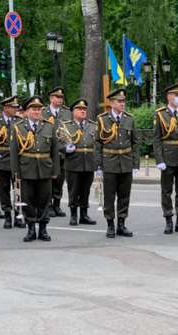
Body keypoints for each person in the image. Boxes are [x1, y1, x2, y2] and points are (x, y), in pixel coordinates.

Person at [10, 96, 60, 242]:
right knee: (28, 200)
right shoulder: (18, 127)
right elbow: (13, 152)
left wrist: (55, 170)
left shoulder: (49, 126)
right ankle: (31, 228)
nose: (37, 112)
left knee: (45, 199)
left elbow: (54, 150)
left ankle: (43, 229)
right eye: (34, 109)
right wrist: (15, 172)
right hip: (26, 169)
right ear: (27, 111)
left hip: (45, 168)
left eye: (39, 109)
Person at [94, 89, 138, 238]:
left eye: (123, 101)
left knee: (124, 196)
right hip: (109, 163)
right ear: (112, 103)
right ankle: (110, 225)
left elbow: (135, 143)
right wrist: (98, 165)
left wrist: (135, 163)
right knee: (109, 196)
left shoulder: (129, 119)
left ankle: (121, 224)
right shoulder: (102, 119)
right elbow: (98, 143)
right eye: (119, 101)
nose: (122, 103)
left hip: (125, 162)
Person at [153, 83, 178, 234]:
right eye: (176, 95)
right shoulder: (160, 114)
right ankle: (169, 220)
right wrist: (159, 160)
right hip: (168, 158)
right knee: (167, 191)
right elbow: (157, 139)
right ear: (169, 96)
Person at [0, 96, 25, 229]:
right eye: (12, 107)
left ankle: (18, 215)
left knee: (18, 189)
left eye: (16, 107)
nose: (15, 109)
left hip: (16, 159)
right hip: (0, 160)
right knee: (3, 189)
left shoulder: (20, 121)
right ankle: (7, 215)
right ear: (5, 108)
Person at [62, 99, 97, 226]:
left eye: (84, 109)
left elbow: (97, 145)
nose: (83, 111)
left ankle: (84, 215)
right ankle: (73, 215)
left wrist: (97, 163)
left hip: (89, 163)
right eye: (79, 109)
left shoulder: (92, 125)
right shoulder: (66, 126)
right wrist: (65, 149)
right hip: (73, 163)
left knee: (85, 190)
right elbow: (58, 143)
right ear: (73, 112)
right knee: (73, 190)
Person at [44, 87, 72, 217]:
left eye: (61, 97)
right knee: (49, 179)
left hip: (62, 152)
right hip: (48, 152)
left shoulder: (67, 112)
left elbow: (70, 131)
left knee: (60, 180)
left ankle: (57, 204)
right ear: (51, 98)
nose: (60, 99)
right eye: (57, 97)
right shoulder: (44, 112)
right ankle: (48, 205)